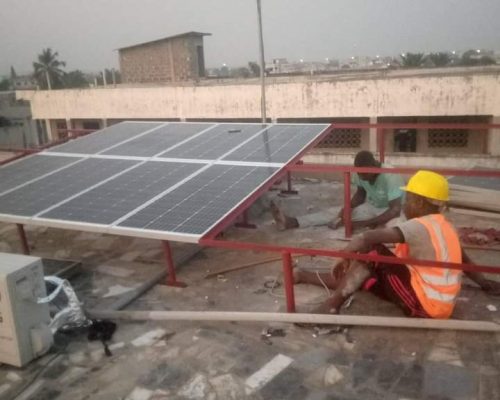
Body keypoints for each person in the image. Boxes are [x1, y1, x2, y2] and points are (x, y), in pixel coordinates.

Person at [294, 170, 500, 319]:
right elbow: (465, 261)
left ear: (419, 202)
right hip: (436, 302)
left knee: (371, 252)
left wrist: (343, 256)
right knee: (362, 275)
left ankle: (331, 306)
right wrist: (485, 283)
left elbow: (365, 238)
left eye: (407, 199)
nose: (404, 205)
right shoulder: (445, 226)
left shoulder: (420, 226)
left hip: (424, 304)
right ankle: (303, 275)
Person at [270, 150, 404, 231]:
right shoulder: (359, 173)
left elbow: (395, 210)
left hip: (391, 211)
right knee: (335, 213)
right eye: (360, 175)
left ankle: (375, 227)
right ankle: (293, 222)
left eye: (365, 175)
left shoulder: (390, 175)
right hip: (372, 206)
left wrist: (361, 224)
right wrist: (348, 208)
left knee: (395, 229)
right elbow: (360, 194)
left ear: (373, 166)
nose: (362, 178)